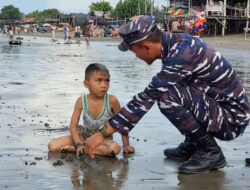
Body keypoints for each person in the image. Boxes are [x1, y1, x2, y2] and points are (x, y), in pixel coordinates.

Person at [83, 16, 250, 173]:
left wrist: (102, 134)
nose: (137, 57)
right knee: (172, 88)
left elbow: (147, 97)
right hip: (219, 107)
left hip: (231, 119)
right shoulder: (174, 44)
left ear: (147, 47)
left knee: (166, 96)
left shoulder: (181, 53)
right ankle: (194, 143)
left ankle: (210, 151)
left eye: (135, 52)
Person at [48, 63, 135, 156]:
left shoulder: (112, 101)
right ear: (86, 84)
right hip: (83, 137)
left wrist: (126, 145)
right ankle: (82, 147)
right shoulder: (81, 101)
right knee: (52, 146)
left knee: (114, 149)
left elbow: (122, 123)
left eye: (107, 81)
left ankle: (80, 150)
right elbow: (73, 126)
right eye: (99, 80)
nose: (104, 85)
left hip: (103, 141)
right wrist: (78, 143)